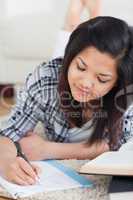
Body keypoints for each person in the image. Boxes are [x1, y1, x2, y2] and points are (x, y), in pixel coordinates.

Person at [0, 9, 133, 186]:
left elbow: (121, 146)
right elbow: (7, 133)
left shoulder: (125, 94)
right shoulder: (45, 79)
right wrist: (7, 161)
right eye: (80, 67)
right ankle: (76, 12)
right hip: (59, 74)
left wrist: (47, 150)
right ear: (70, 59)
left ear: (117, 83)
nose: (85, 83)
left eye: (101, 79)